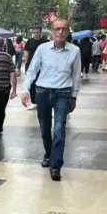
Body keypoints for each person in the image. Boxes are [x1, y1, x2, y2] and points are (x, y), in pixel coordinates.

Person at [22, 19, 81, 182]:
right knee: (44, 128)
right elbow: (32, 70)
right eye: (57, 29)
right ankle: (48, 154)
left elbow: (76, 76)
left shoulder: (75, 51)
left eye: (64, 29)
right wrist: (26, 89)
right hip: (43, 91)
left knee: (59, 129)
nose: (60, 32)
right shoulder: (42, 49)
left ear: (68, 32)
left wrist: (74, 96)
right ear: (52, 31)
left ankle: (56, 166)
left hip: (63, 92)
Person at [22, 26, 49, 110]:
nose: (35, 34)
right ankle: (34, 102)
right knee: (32, 83)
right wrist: (26, 63)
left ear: (40, 32)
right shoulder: (30, 41)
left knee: (43, 84)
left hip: (43, 66)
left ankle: (44, 101)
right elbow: (26, 51)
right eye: (34, 32)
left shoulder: (46, 41)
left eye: (37, 32)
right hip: (31, 65)